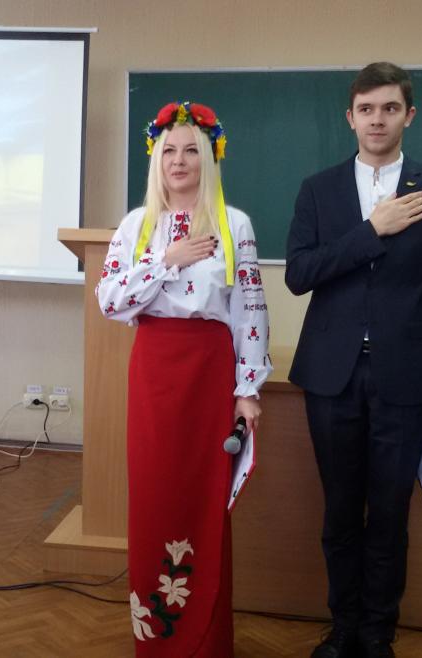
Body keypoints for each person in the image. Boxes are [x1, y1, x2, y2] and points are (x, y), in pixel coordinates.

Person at [284, 62, 422, 658]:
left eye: (389, 108)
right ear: (350, 117)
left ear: (408, 115)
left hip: (406, 379)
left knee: (388, 516)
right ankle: (343, 629)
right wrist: (372, 229)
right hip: (331, 377)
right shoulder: (318, 188)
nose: (377, 120)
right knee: (340, 512)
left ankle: (376, 635)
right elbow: (298, 274)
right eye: (366, 109)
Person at [97, 100, 271, 656]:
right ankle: (159, 640)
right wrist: (166, 258)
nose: (179, 160)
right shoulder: (137, 225)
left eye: (191, 150)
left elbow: (249, 308)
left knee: (205, 499)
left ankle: (207, 640)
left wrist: (247, 390)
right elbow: (110, 300)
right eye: (169, 150)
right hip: (155, 371)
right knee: (155, 496)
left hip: (209, 374)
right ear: (156, 159)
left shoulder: (233, 223)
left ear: (209, 158)